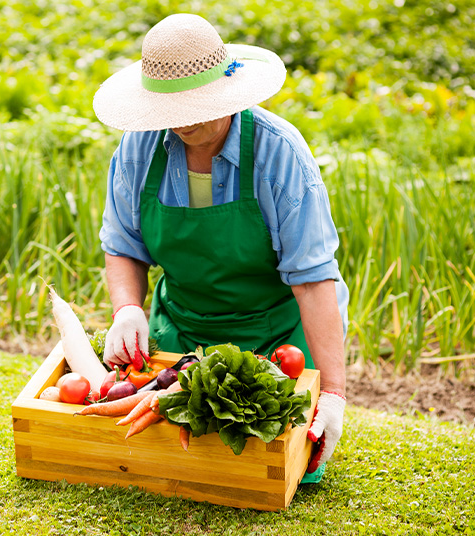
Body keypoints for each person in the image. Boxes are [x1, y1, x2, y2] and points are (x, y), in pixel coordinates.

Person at [93, 13, 349, 483]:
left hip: (277, 341)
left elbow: (313, 279)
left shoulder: (279, 153)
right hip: (183, 337)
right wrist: (127, 309)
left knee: (286, 470)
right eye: (174, 108)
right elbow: (123, 245)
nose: (186, 120)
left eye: (198, 103)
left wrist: (332, 393)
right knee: (169, 465)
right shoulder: (137, 150)